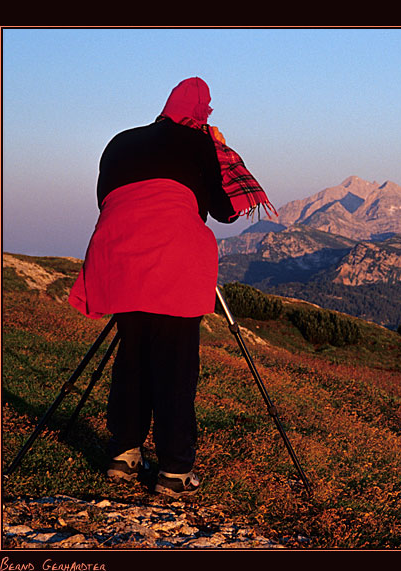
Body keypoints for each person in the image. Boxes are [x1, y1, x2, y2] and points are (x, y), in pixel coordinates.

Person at [69, 77, 275, 497]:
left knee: (132, 358)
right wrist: (218, 152)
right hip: (174, 261)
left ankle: (122, 456)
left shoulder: (119, 141)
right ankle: (175, 471)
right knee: (175, 367)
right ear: (200, 111)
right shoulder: (199, 142)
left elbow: (105, 198)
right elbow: (224, 212)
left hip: (118, 257)